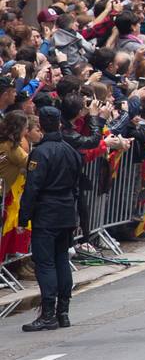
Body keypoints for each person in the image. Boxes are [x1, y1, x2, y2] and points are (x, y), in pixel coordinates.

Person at [18, 106, 87, 333]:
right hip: (66, 211)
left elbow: (33, 187)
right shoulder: (70, 151)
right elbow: (78, 186)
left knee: (45, 264)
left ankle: (48, 314)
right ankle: (63, 312)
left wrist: (23, 217)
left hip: (47, 213)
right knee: (61, 261)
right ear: (58, 124)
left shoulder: (40, 153)